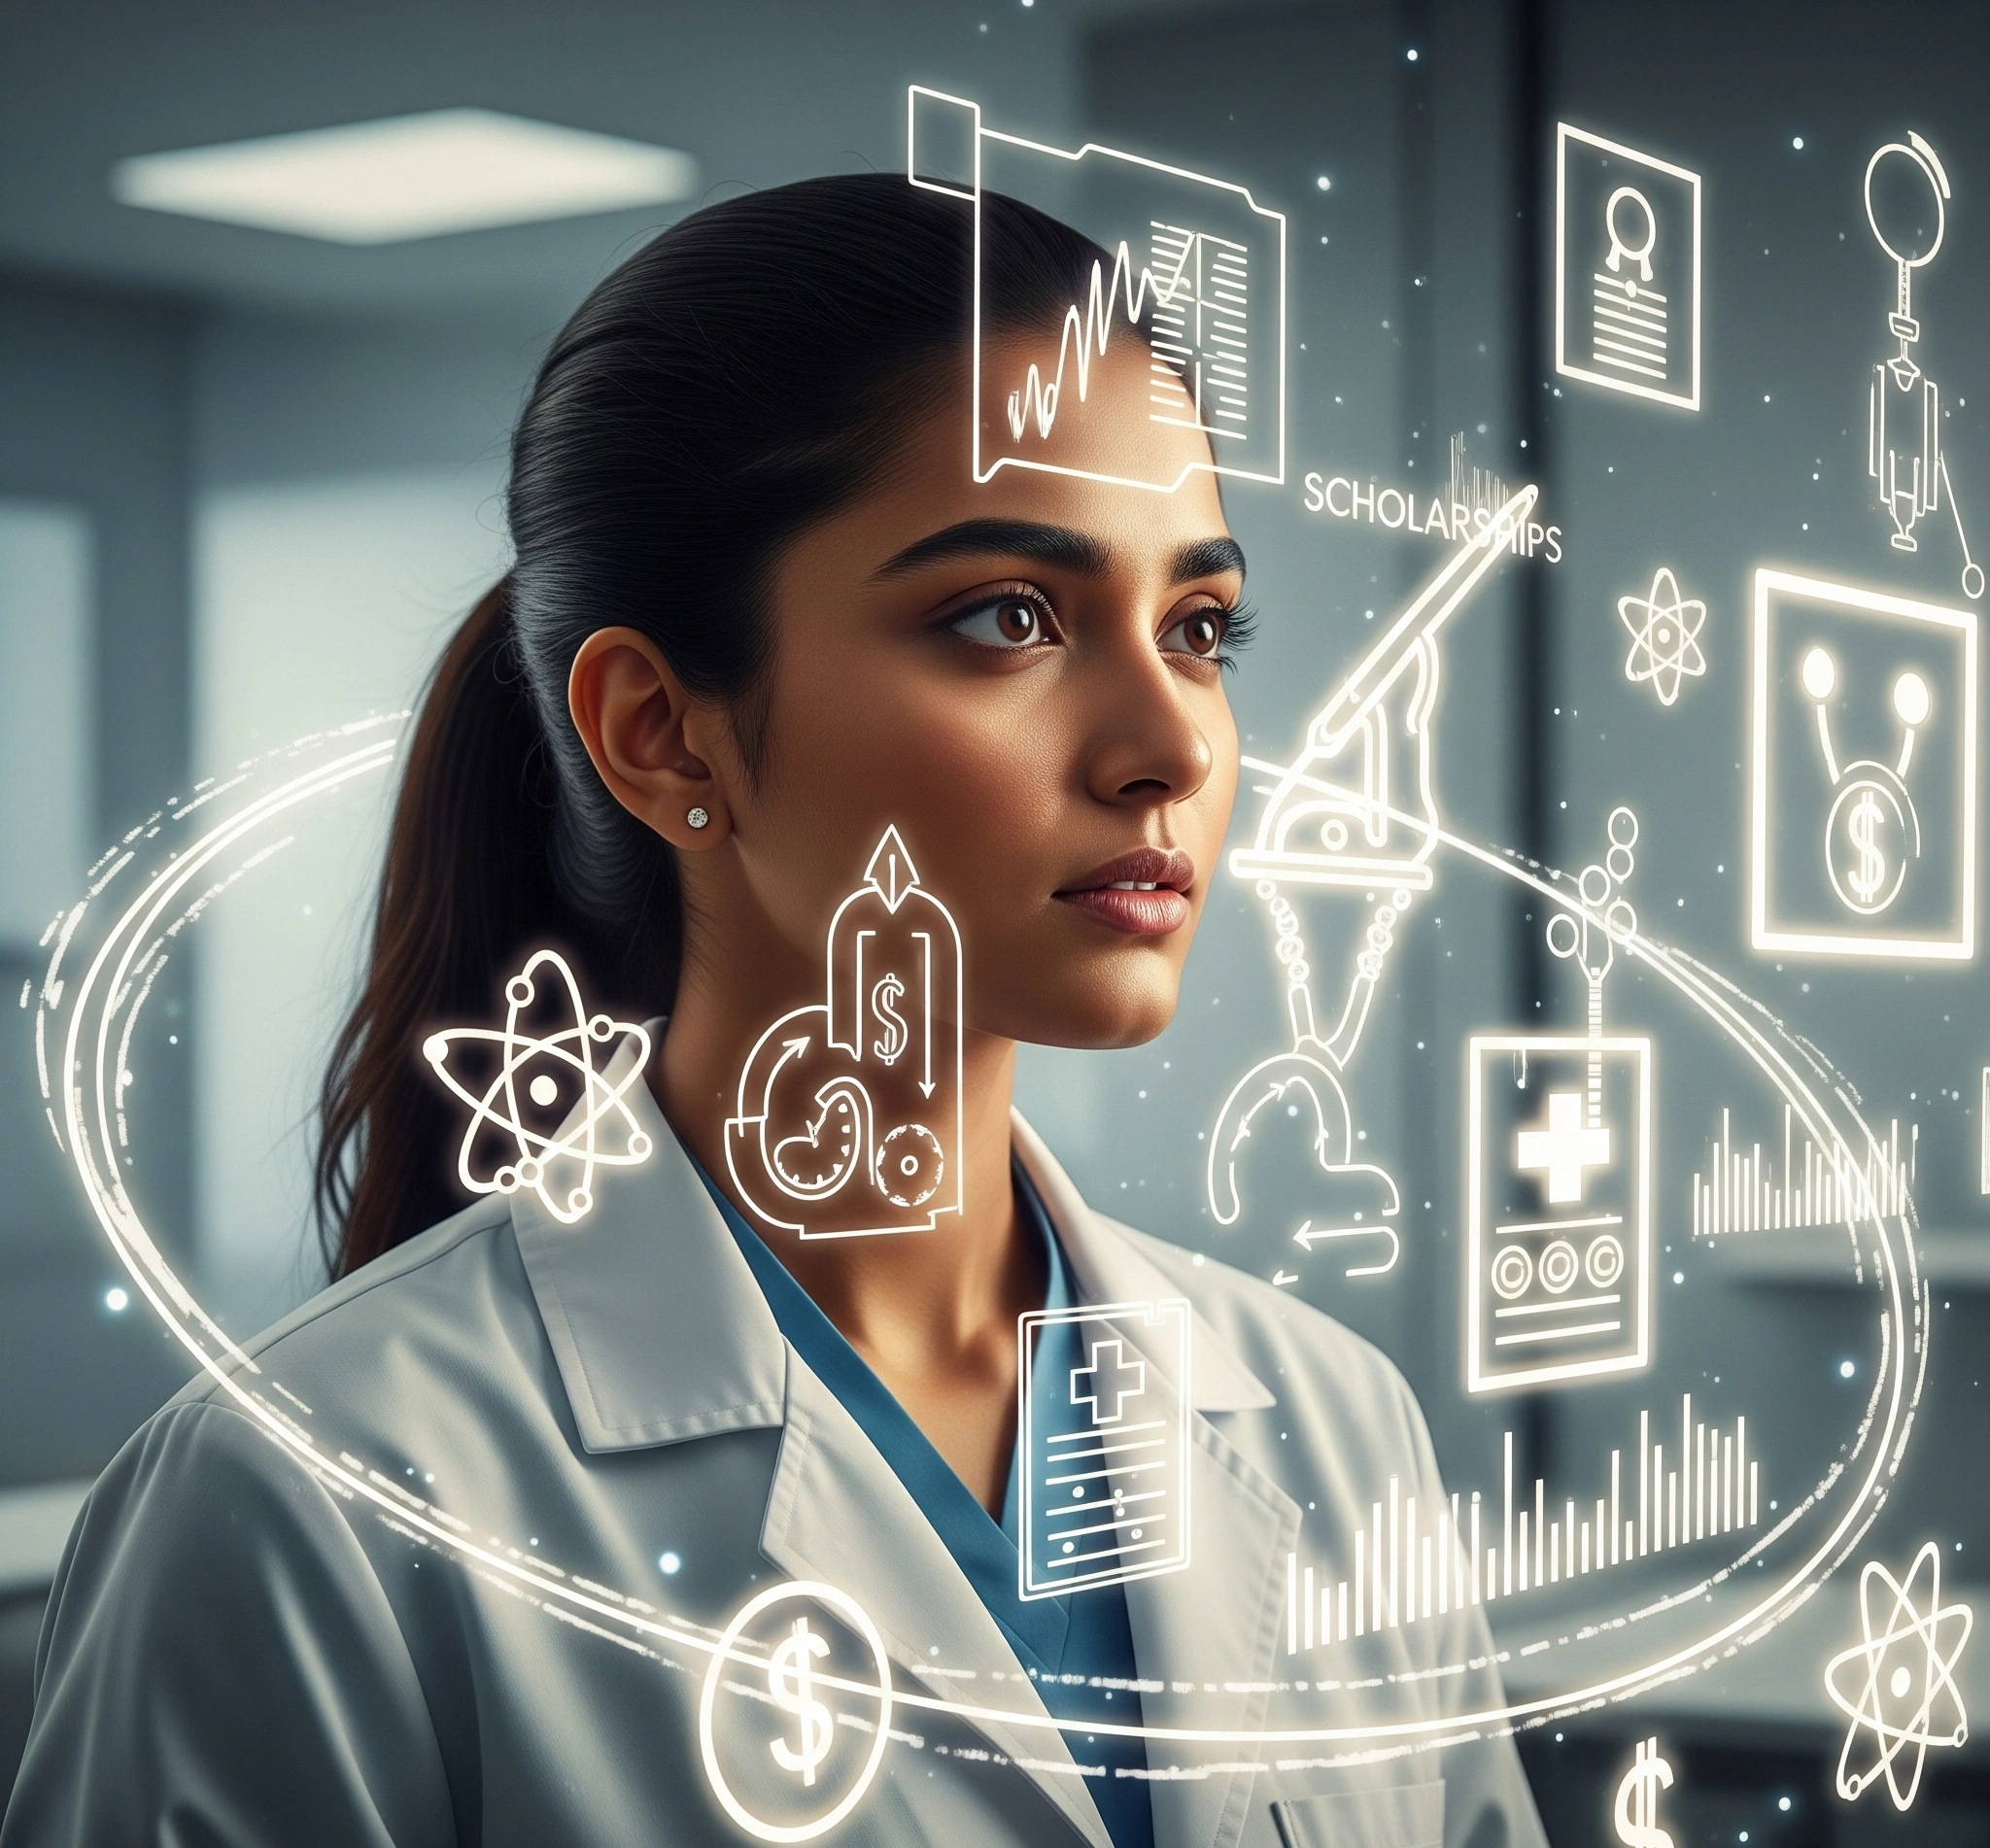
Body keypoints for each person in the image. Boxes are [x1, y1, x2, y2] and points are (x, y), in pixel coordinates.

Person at [2, 176, 1544, 1848]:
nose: (1167, 742)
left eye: (1199, 626)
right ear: (662, 731)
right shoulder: (305, 1502)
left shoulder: (1332, 1420)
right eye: (1006, 619)